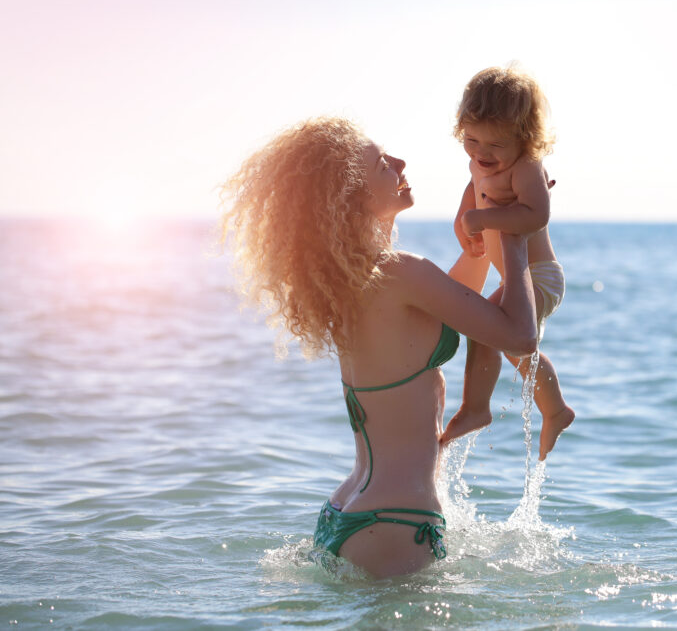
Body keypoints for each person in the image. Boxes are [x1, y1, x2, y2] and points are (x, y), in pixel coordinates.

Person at [220, 117, 538, 578]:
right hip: (396, 523)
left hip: (347, 512)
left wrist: (484, 223)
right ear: (352, 197)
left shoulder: (356, 282)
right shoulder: (399, 273)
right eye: (381, 164)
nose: (400, 163)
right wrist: (515, 237)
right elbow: (521, 336)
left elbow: (453, 302)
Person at [438, 66, 575, 461]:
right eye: (470, 139)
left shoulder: (527, 167)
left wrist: (484, 219)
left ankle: (476, 408)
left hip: (540, 278)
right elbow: (474, 186)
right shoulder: (484, 162)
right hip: (517, 278)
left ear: (525, 138)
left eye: (495, 145)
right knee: (514, 350)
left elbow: (535, 216)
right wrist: (464, 216)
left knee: (486, 328)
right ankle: (556, 410)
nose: (481, 153)